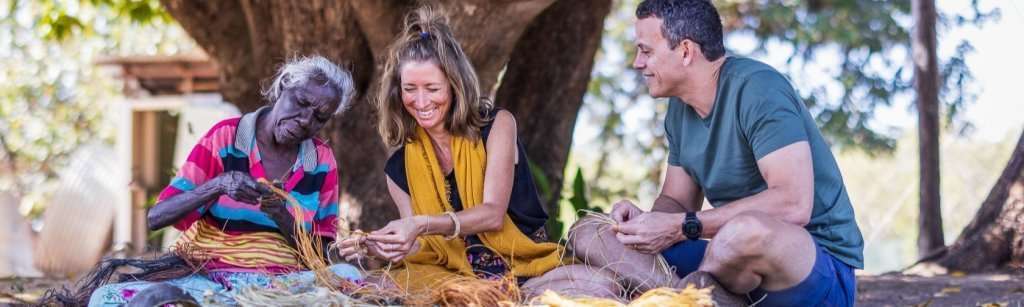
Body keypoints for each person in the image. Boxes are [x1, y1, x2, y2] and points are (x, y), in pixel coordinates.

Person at [569, 0, 864, 306]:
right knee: (591, 232)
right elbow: (677, 202)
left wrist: (680, 226)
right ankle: (692, 298)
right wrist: (646, 224)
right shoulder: (680, 109)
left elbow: (793, 205)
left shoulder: (759, 89)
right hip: (727, 264)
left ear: (685, 51)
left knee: (744, 231)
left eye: (646, 51)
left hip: (812, 267)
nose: (637, 63)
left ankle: (689, 296)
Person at [337, 7, 618, 299]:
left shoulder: (497, 125)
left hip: (526, 267)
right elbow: (424, 247)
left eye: (432, 88)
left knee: (600, 286)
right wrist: (384, 243)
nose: (420, 101)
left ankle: (501, 297)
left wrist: (421, 224)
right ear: (397, 92)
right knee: (369, 286)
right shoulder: (398, 168)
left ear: (455, 86)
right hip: (452, 274)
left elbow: (492, 214)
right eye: (410, 89)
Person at [86, 56, 362, 306]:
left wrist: (283, 216)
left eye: (319, 117)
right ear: (284, 87)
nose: (305, 120)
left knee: (349, 276)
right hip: (208, 279)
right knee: (106, 299)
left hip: (282, 287)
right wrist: (218, 185)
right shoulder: (224, 138)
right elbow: (157, 216)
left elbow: (321, 256)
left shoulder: (322, 161)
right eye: (301, 103)